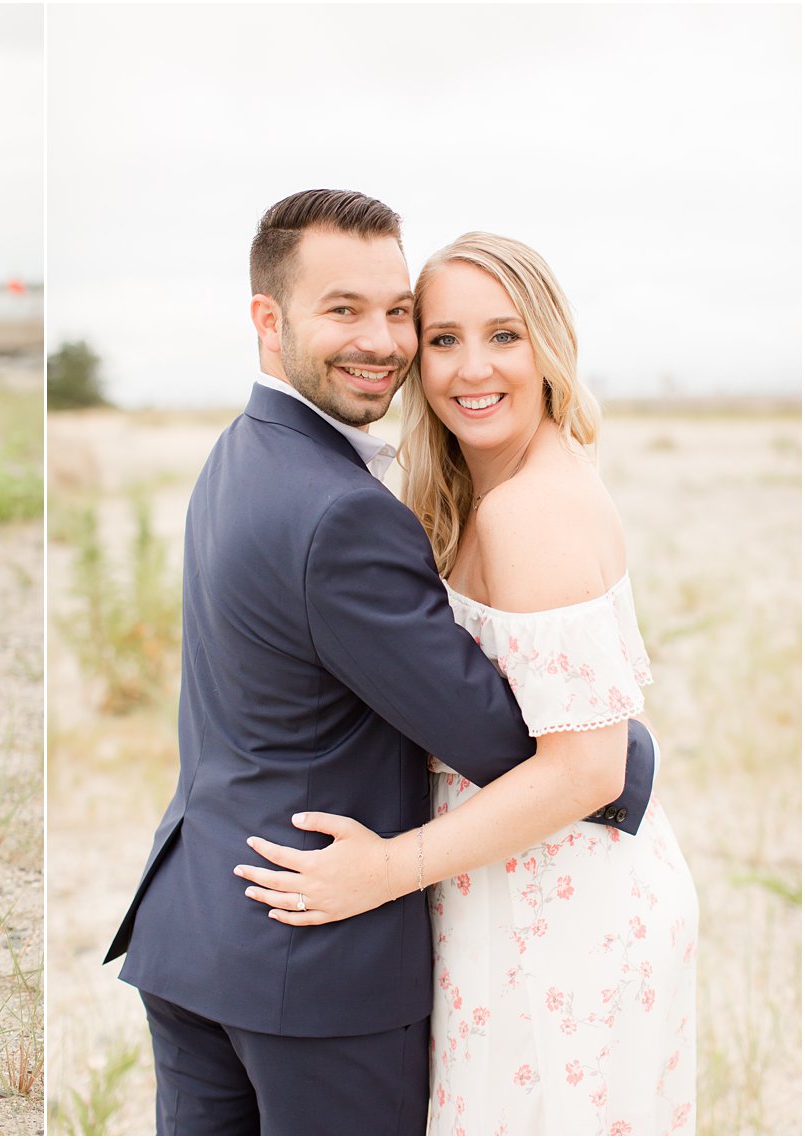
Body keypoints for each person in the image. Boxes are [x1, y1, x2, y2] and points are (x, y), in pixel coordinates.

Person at [103, 190, 658, 1136]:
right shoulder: (343, 510)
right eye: (345, 310)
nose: (383, 340)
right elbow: (507, 740)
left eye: (397, 311)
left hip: (196, 932)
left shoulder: (239, 455)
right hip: (316, 968)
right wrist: (626, 750)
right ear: (267, 321)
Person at [237, 233, 697, 1135]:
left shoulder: (534, 509)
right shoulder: (484, 491)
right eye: (442, 338)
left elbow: (590, 770)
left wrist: (382, 870)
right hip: (512, 889)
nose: (470, 368)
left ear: (550, 348)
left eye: (504, 336)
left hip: (564, 914)